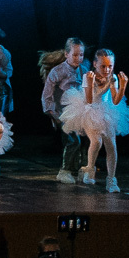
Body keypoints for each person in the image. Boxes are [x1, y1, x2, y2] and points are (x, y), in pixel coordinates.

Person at [61, 48, 129, 194]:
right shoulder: (88, 76)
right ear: (95, 64)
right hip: (90, 110)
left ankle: (111, 179)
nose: (107, 70)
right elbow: (89, 100)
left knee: (111, 145)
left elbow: (115, 100)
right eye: (103, 66)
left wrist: (122, 86)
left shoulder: (112, 77)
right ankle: (89, 169)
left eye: (110, 66)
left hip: (107, 111)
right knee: (96, 142)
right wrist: (103, 85)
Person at [39, 37, 88, 185]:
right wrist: (53, 114)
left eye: (81, 55)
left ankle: (82, 169)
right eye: (75, 55)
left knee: (85, 141)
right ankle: (64, 170)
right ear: (66, 54)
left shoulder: (84, 70)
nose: (78, 58)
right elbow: (47, 95)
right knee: (73, 140)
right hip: (63, 113)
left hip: (79, 112)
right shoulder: (58, 71)